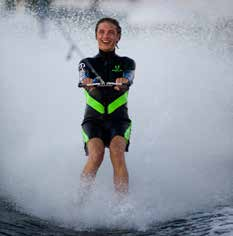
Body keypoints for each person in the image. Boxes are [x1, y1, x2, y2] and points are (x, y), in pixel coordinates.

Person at [78, 17, 136, 195]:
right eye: (101, 32)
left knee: (117, 152)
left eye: (111, 32)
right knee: (96, 155)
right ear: (96, 35)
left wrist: (123, 81)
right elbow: (82, 78)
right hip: (93, 120)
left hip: (118, 120)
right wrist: (87, 82)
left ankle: (122, 208)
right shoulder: (86, 63)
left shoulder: (127, 63)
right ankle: (79, 203)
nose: (106, 36)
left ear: (118, 37)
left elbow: (129, 78)